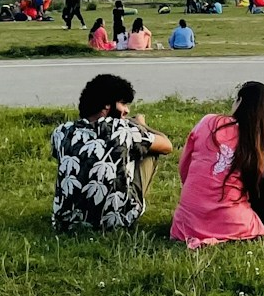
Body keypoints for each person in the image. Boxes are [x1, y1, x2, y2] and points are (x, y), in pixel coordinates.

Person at [171, 81, 264, 248]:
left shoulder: (208, 122)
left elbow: (185, 169)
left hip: (186, 223)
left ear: (239, 101)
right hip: (232, 223)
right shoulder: (260, 142)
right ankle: (237, 228)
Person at [51, 73, 174, 233]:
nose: (126, 110)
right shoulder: (124, 130)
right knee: (150, 150)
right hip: (117, 222)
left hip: (66, 223)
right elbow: (167, 146)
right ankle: (132, 206)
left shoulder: (62, 131)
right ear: (107, 106)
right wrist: (141, 125)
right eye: (123, 103)